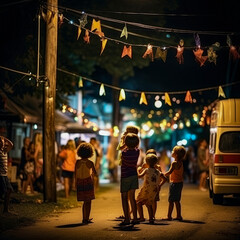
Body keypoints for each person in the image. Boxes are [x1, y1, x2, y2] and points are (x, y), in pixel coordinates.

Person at [137, 153, 167, 224]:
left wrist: (138, 171)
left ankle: (141, 217)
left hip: (146, 189)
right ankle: (151, 218)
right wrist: (159, 185)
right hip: (154, 190)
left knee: (138, 202)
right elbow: (165, 179)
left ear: (146, 163)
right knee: (149, 204)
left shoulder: (146, 170)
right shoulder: (158, 171)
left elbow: (139, 176)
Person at [119, 133, 140, 226]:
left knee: (124, 197)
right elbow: (135, 147)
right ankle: (135, 218)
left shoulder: (124, 153)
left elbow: (121, 149)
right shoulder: (137, 152)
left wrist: (123, 141)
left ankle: (127, 218)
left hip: (125, 176)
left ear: (126, 143)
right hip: (134, 176)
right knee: (132, 197)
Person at [75, 142, 97, 225]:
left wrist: (75, 183)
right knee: (89, 201)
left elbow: (75, 174)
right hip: (88, 182)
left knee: (84, 201)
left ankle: (84, 218)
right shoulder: (90, 163)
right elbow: (95, 173)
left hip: (80, 182)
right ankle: (86, 218)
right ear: (90, 153)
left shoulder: (77, 162)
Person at [163, 145, 186, 221]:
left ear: (175, 154)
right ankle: (179, 215)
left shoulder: (174, 163)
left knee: (171, 200)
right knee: (177, 200)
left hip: (174, 183)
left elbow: (169, 172)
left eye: (173, 151)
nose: (171, 152)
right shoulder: (181, 163)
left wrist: (161, 174)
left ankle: (169, 216)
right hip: (180, 183)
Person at [0, 136, 14, 214]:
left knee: (9, 190)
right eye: (2, 142)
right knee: (3, 192)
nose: (4, 144)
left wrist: (4, 138)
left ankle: (6, 210)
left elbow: (11, 144)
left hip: (5, 175)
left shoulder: (5, 151)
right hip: (1, 175)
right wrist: (1, 140)